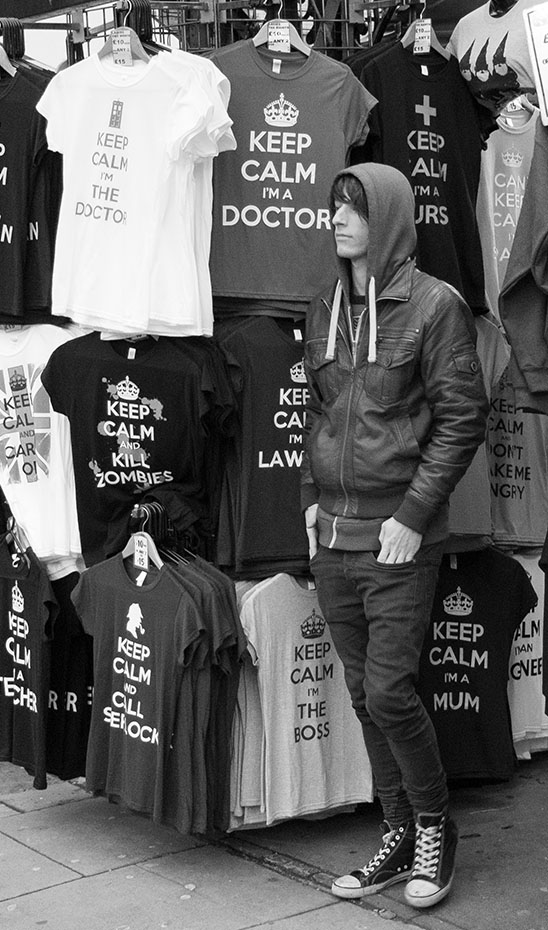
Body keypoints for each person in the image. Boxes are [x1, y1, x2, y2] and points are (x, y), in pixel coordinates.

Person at [301, 163, 489, 909]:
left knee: (389, 690)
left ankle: (436, 829)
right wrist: (310, 497)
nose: (338, 219)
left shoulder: (434, 306)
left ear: (389, 218)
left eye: (354, 209)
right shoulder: (324, 305)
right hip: (334, 538)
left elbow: (461, 418)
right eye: (333, 207)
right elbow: (314, 409)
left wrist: (412, 517)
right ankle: (398, 828)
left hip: (395, 538)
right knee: (361, 692)